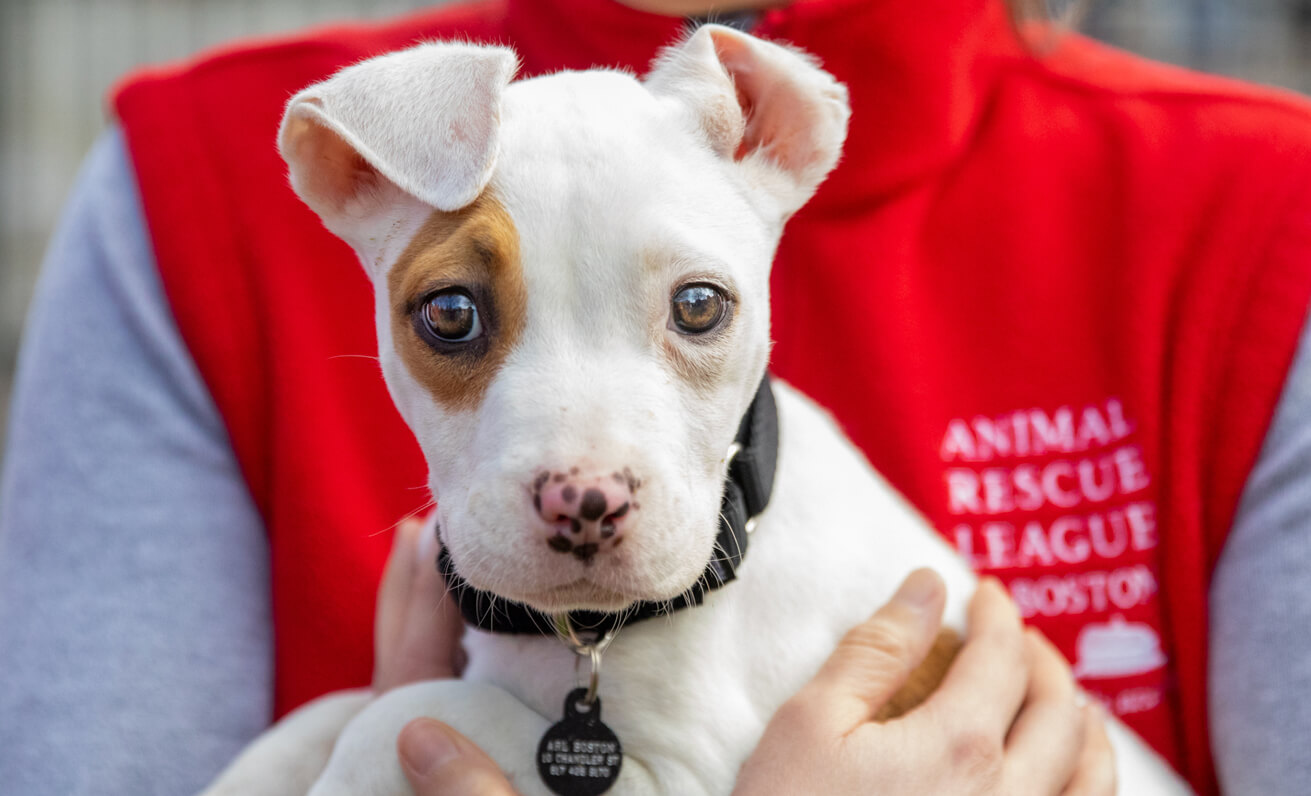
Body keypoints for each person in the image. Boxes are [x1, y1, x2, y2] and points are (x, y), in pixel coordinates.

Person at [2, 0, 1309, 793]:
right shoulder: (187, 198)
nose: (583, 478)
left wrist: (385, 751)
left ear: (780, 140)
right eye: (457, 322)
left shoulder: (1259, 213)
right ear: (352, 181)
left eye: (694, 316)